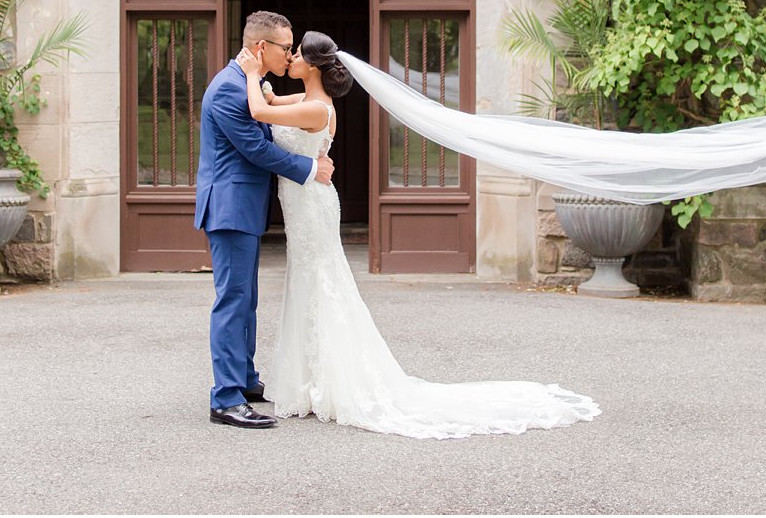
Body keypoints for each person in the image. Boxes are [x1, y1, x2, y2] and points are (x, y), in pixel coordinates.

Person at [237, 31, 600, 439]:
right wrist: (262, 83)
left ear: (315, 66)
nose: (292, 59)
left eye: (298, 55)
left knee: (321, 282)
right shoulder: (304, 100)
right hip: (304, 205)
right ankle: (309, 380)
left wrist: (251, 73)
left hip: (313, 208)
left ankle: (335, 381)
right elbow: (268, 102)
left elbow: (257, 111)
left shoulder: (319, 110)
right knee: (306, 282)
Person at [195, 10, 335, 430]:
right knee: (233, 301)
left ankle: (244, 380)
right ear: (262, 48)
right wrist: (310, 169)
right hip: (230, 207)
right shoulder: (228, 91)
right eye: (285, 48)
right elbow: (257, 150)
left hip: (244, 207)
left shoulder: (249, 85)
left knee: (247, 299)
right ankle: (225, 399)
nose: (289, 54)